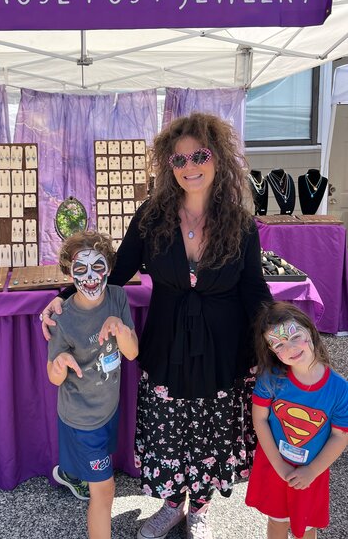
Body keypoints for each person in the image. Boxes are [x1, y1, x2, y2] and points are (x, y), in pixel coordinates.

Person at [41, 113, 272, 539]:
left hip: (222, 346)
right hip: (166, 343)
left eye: (199, 155)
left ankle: (198, 508)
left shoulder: (239, 222)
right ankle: (171, 506)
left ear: (218, 158)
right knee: (169, 426)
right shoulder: (152, 216)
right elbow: (114, 271)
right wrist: (62, 294)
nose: (189, 167)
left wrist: (275, 336)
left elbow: (254, 289)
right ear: (168, 166)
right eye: (178, 160)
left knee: (210, 425)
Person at [47, 230, 139, 539]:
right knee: (105, 492)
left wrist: (119, 327)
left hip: (107, 408)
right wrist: (59, 365)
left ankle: (71, 472)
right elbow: (53, 375)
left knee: (95, 466)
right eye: (80, 269)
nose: (89, 277)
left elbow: (132, 351)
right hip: (82, 419)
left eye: (97, 267)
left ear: (109, 269)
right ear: (69, 271)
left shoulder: (117, 296)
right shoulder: (63, 318)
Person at [245, 301, 348, 539]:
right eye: (278, 344)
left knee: (306, 525)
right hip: (274, 466)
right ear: (271, 351)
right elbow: (259, 419)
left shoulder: (340, 390)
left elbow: (340, 435)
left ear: (310, 331)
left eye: (294, 336)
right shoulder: (270, 379)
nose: (290, 348)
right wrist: (279, 466)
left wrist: (312, 470)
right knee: (277, 521)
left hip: (312, 472)